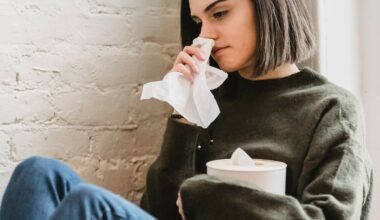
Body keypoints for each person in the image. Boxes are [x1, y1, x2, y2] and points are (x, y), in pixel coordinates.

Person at [0, 0, 373, 220]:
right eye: (198, 21)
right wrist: (186, 115)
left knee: (86, 203)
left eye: (220, 14)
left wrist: (208, 194)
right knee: (37, 174)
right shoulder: (213, 98)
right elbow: (162, 211)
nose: (205, 35)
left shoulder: (331, 108)